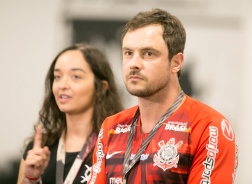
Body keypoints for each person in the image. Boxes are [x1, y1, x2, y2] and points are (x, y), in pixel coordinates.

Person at [88, 8, 238, 184]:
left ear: (176, 63)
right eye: (128, 53)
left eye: (148, 54)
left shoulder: (209, 126)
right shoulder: (112, 126)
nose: (134, 64)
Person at [17, 43, 123, 184]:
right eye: (57, 77)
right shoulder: (40, 148)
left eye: (75, 76)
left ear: (100, 88)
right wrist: (30, 178)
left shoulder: (116, 147)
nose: (62, 85)